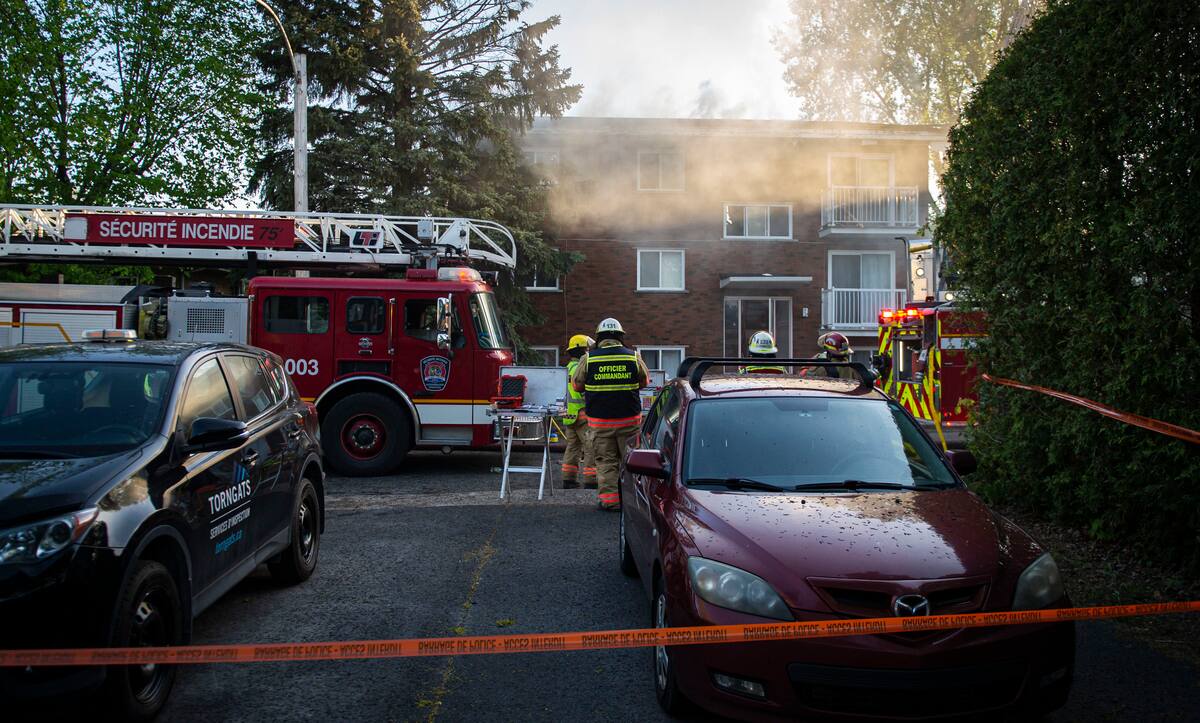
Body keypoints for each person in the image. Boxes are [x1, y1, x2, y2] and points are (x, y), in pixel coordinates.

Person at [571, 318, 649, 511]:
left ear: (598, 338)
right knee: (631, 462)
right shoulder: (633, 356)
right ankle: (634, 504)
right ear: (620, 337)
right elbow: (645, 381)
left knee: (606, 462)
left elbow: (576, 385)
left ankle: (610, 501)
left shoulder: (588, 358)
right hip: (629, 420)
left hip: (600, 422)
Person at [560, 334, 597, 489]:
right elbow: (583, 391)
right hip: (583, 414)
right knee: (590, 447)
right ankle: (591, 480)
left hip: (569, 415)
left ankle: (568, 479)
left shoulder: (567, 368)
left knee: (572, 447)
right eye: (587, 349)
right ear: (583, 350)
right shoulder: (581, 368)